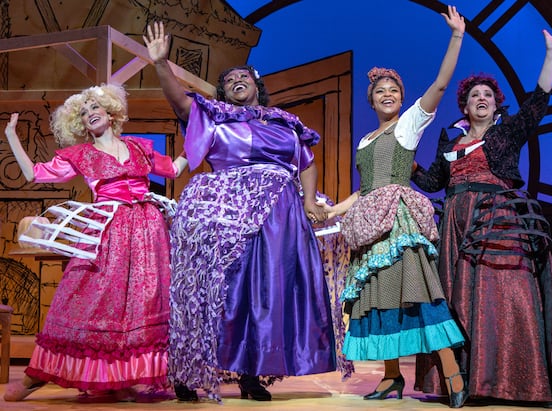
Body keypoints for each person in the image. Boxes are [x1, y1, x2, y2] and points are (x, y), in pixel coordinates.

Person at [143, 21, 337, 403]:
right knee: (217, 291)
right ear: (224, 91)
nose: (236, 80)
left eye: (243, 76)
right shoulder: (214, 116)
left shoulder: (285, 123)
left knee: (264, 293)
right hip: (226, 209)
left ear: (256, 84)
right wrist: (161, 65)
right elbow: (180, 102)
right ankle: (189, 368)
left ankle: (251, 373)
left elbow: (307, 162)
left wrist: (311, 201)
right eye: (229, 79)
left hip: (279, 215)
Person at [411, 30, 552, 407]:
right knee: (459, 301)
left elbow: (538, 104)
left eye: (488, 95)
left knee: (505, 297)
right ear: (464, 105)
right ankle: (464, 380)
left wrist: (551, 55)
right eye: (474, 95)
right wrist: (404, 161)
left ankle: (516, 381)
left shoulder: (506, 132)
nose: (482, 99)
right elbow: (433, 181)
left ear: (497, 105)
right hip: (455, 229)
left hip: (497, 221)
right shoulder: (451, 140)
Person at [3, 84, 187, 403]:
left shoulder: (140, 148)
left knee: (140, 302)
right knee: (84, 294)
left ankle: (120, 377)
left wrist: (203, 139)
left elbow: (173, 169)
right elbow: (34, 174)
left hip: (147, 232)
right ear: (79, 123)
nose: (90, 113)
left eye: (94, 107)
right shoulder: (82, 155)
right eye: (84, 112)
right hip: (109, 229)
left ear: (110, 111)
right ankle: (37, 375)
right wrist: (10, 137)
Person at [323, 5, 468, 408]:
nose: (388, 94)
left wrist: (456, 37)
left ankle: (452, 373)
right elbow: (364, 188)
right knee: (380, 297)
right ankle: (391, 378)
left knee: (418, 293)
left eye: (394, 91)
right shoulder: (366, 141)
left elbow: (440, 84)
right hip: (369, 222)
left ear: (402, 99)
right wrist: (334, 211)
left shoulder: (407, 126)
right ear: (371, 100)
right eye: (380, 91)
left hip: (399, 223)